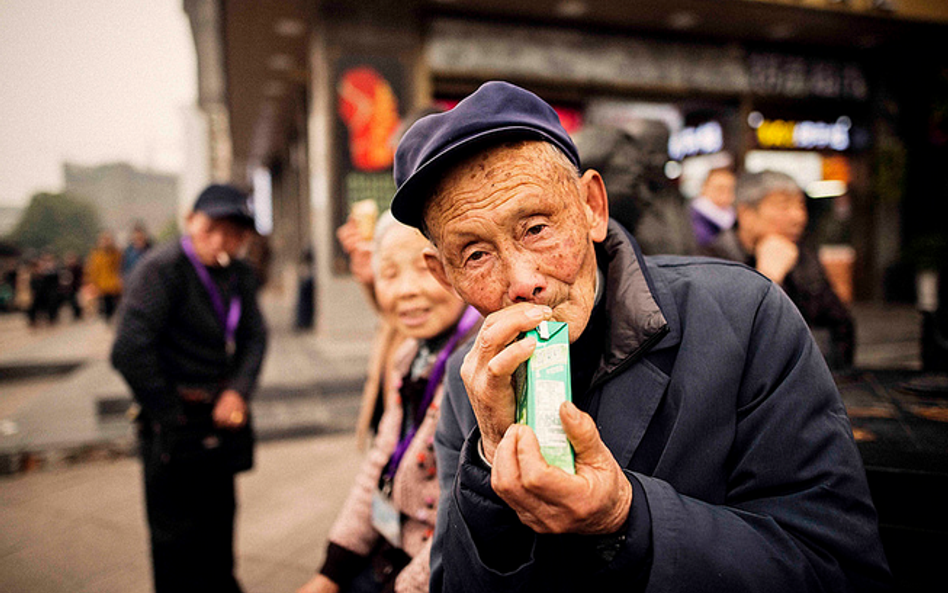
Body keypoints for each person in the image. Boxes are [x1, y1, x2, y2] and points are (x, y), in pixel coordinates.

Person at [388, 82, 891, 592]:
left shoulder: (742, 315)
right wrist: (489, 477)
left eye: (537, 227)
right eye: (475, 255)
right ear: (443, 274)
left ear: (592, 207)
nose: (522, 281)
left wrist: (626, 517)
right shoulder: (468, 381)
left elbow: (839, 568)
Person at [297, 212, 480, 593]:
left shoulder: (483, 368)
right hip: (390, 552)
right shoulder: (410, 355)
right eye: (390, 274)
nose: (406, 290)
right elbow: (379, 463)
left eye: (424, 267)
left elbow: (465, 527)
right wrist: (331, 569)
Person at [110, 184, 267, 593]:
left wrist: (238, 390)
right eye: (211, 228)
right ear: (190, 222)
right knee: (176, 547)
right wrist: (171, 410)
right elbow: (129, 350)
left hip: (220, 419)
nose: (221, 241)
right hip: (173, 425)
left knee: (219, 532)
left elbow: (254, 337)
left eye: (233, 232)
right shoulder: (160, 269)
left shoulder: (240, 272)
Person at [703, 170, 856, 370]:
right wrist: (768, 278)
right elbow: (722, 344)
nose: (798, 217)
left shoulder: (803, 255)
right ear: (746, 214)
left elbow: (840, 328)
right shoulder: (712, 260)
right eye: (783, 206)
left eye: (800, 206)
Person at [689, 166, 736, 248]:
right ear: (704, 188)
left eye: (730, 189)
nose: (725, 194)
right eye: (720, 188)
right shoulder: (691, 220)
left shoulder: (734, 218)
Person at [85, 230, 123, 321]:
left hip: (115, 285)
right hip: (102, 286)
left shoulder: (117, 253)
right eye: (104, 240)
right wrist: (92, 284)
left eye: (108, 239)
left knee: (116, 306)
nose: (106, 242)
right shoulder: (96, 255)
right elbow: (92, 270)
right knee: (106, 307)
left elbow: (120, 267)